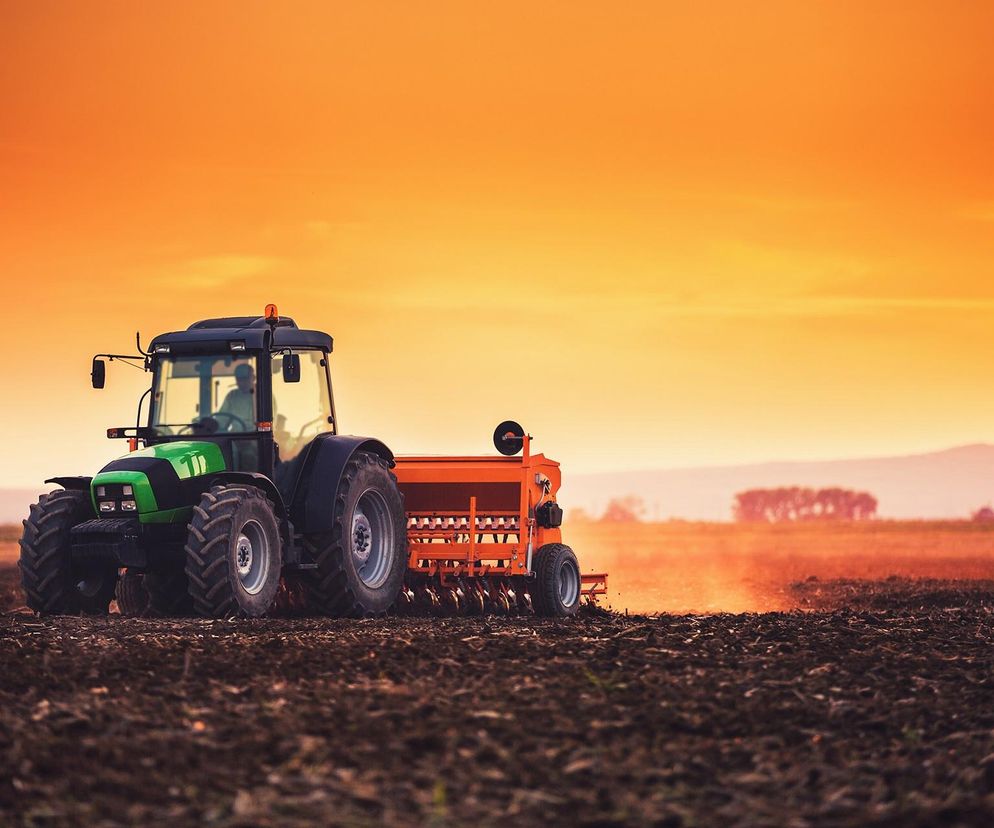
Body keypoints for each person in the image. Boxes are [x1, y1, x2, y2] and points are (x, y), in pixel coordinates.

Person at [217, 363, 255, 431]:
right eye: (239, 379)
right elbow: (222, 419)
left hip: (256, 435)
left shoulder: (263, 396)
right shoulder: (232, 396)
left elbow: (267, 426)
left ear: (253, 378)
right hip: (236, 435)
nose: (242, 383)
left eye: (245, 379)